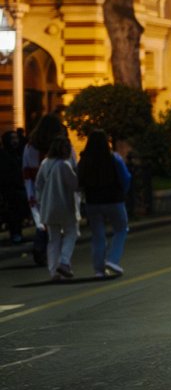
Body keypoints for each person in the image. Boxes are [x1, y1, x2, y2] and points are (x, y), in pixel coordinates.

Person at [76, 130, 131, 278]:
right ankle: (113, 259)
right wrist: (122, 192)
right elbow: (125, 178)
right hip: (114, 199)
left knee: (97, 235)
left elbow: (78, 180)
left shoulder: (84, 160)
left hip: (92, 201)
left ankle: (99, 270)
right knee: (121, 228)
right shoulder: (114, 158)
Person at [23, 113, 73, 267]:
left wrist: (31, 192)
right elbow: (71, 165)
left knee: (43, 220)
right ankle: (58, 258)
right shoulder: (62, 146)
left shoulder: (31, 146)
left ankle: (42, 249)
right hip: (58, 188)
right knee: (61, 225)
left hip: (39, 189)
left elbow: (26, 171)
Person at [35, 136, 78, 281]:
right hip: (64, 205)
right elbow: (74, 184)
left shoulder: (45, 163)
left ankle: (54, 271)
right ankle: (64, 262)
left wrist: (40, 201)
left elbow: (38, 185)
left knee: (53, 239)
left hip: (47, 206)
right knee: (70, 233)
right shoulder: (64, 165)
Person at [1, 130, 29, 244]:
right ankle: (15, 234)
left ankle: (18, 233)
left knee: (19, 213)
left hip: (19, 188)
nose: (15, 141)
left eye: (16, 138)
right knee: (13, 214)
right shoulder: (4, 155)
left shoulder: (18, 153)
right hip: (10, 190)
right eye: (12, 138)